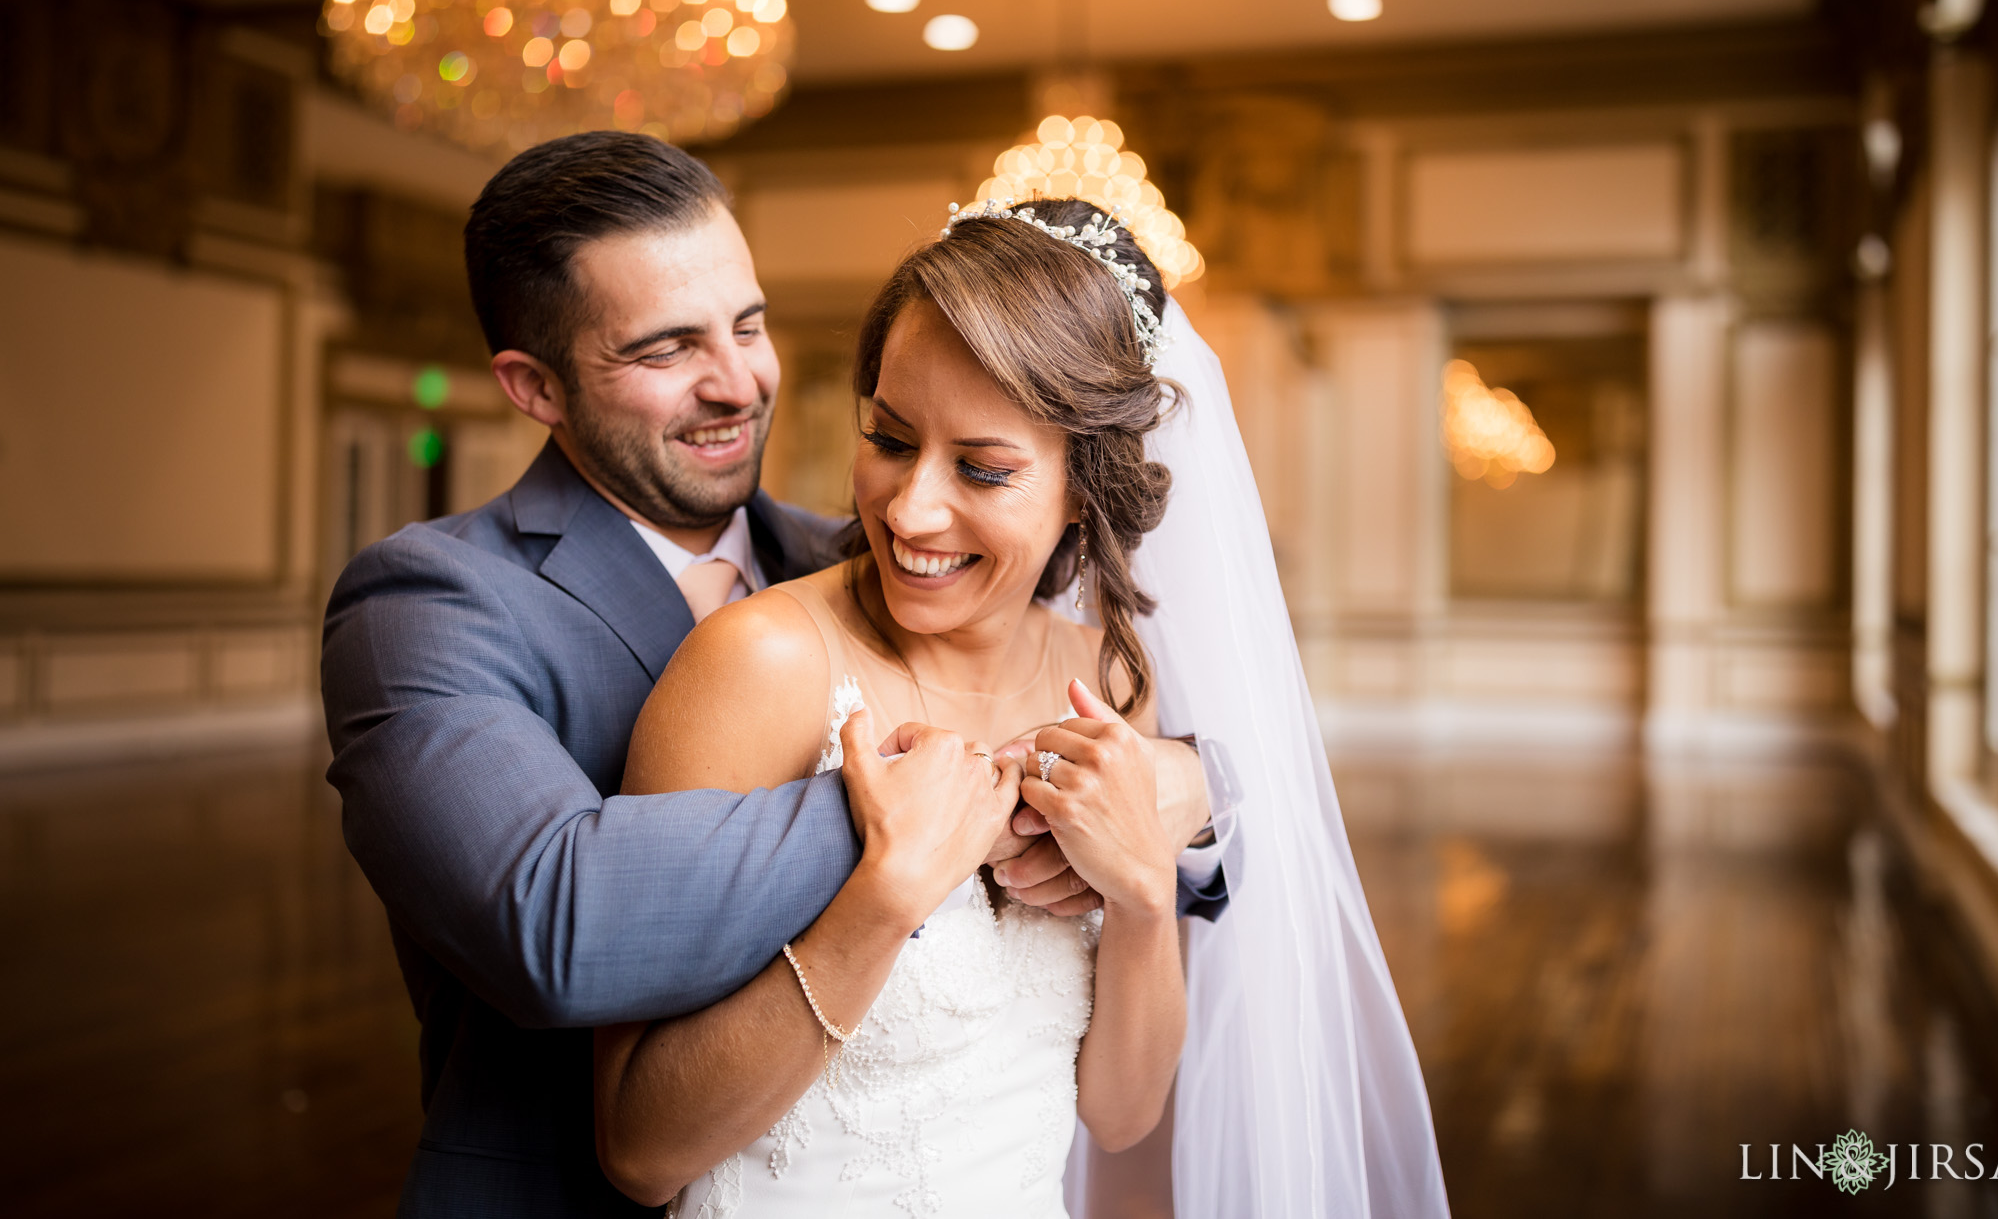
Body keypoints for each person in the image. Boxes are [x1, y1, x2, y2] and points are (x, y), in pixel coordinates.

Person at [320, 134, 1223, 1218]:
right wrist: (957, 810)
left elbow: (1119, 1102)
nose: (738, 380)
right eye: (663, 349)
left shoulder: (872, 559)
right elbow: (547, 919)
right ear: (535, 386)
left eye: (746, 325)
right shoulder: (425, 601)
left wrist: (1184, 786)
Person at [591, 198, 1453, 1218]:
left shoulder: (1114, 689)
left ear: (1082, 489)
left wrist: (1137, 899)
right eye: (889, 438)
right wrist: (887, 894)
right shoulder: (760, 663)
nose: (909, 509)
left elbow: (1121, 1112)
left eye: (984, 468)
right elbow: (639, 1152)